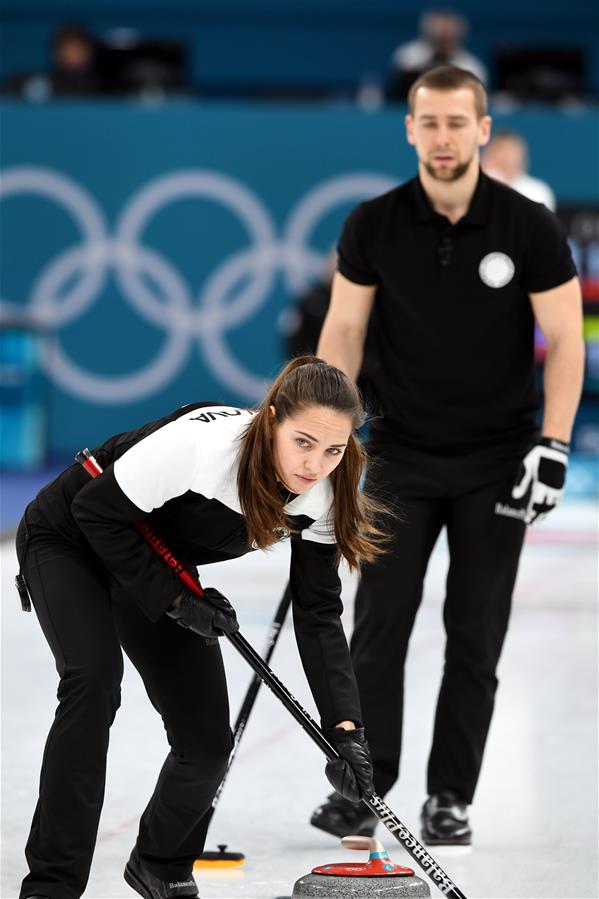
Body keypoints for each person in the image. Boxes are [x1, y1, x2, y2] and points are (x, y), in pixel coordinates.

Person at [310, 65, 584, 846]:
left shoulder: (527, 225)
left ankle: (449, 795)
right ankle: (362, 786)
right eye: (427, 123)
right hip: (398, 450)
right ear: (408, 129)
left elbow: (564, 340)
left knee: (475, 632)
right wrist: (326, 437)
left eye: (456, 123)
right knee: (377, 625)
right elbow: (345, 333)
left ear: (483, 129)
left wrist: (554, 444)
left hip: (497, 459)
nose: (441, 138)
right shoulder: (373, 222)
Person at [15, 356, 384, 899]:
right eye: (303, 442)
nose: (315, 464)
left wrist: (346, 729)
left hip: (151, 557)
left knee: (207, 741)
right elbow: (96, 512)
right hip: (70, 537)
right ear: (272, 418)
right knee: (92, 686)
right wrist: (173, 599)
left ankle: (159, 864)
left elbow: (319, 613)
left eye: (333, 449)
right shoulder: (203, 450)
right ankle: (51, 886)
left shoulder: (325, 496)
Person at [387, 9, 487, 101]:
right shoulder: (408, 56)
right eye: (439, 38)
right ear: (427, 34)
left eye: (448, 38)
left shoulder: (471, 66)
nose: (443, 42)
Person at [482, 130, 557, 210]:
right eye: (498, 151)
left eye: (510, 152)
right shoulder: (478, 188)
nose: (505, 158)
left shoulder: (538, 191)